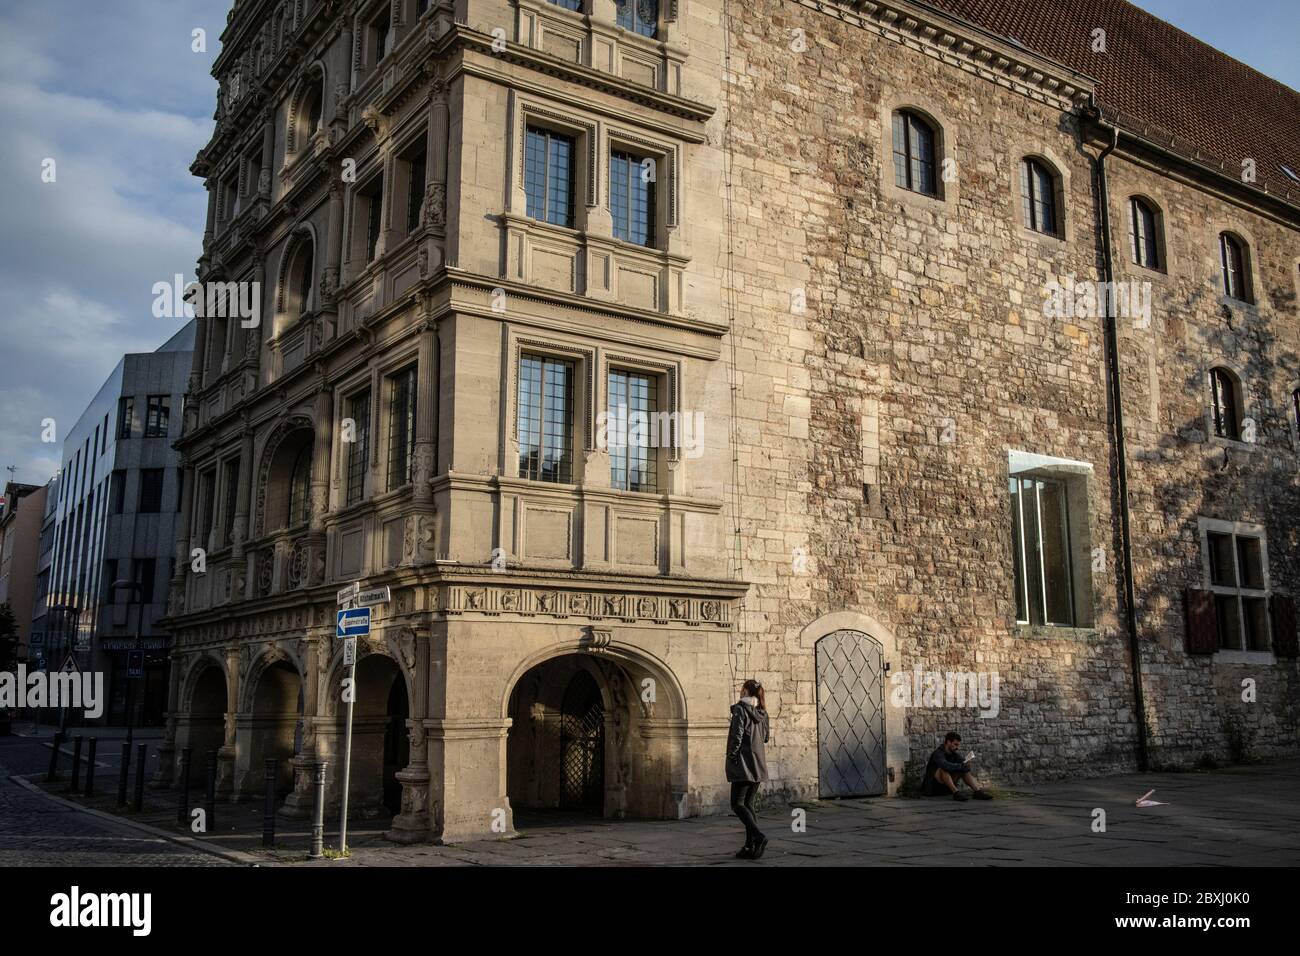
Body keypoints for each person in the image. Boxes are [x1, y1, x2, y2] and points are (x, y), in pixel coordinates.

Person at [726, 679, 770, 859]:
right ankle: (749, 846)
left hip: (743, 765)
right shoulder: (762, 712)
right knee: (748, 804)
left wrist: (731, 756)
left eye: (741, 689)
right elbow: (766, 737)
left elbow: (736, 737)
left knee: (737, 804)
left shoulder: (740, 710)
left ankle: (758, 837)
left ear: (745, 691)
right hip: (758, 765)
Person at [920, 731, 994, 801]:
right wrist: (961, 765)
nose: (957, 747)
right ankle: (956, 793)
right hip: (933, 788)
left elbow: (964, 766)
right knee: (943, 769)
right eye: (955, 744)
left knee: (963, 770)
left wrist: (966, 764)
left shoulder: (954, 754)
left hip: (946, 787)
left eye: (958, 745)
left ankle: (978, 792)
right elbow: (945, 765)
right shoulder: (938, 753)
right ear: (948, 742)